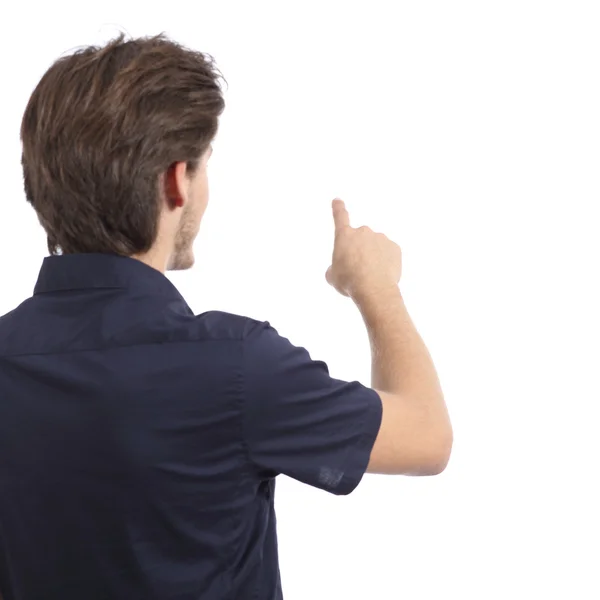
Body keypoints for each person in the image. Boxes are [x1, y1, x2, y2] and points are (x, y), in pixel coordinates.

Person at [0, 33, 453, 600]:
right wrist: (375, 287)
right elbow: (427, 436)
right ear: (176, 180)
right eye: (203, 167)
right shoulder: (235, 368)